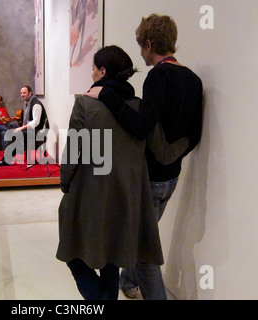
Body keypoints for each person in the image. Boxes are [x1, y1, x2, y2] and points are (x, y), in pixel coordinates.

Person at [85, 15, 203, 300]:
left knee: (143, 254)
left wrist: (105, 95)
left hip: (150, 179)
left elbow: (140, 126)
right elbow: (194, 136)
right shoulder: (193, 79)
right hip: (172, 178)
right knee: (144, 236)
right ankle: (127, 282)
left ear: (150, 44)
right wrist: (170, 157)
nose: (140, 53)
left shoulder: (158, 77)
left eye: (141, 47)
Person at [56, 45, 166, 300]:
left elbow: (72, 153)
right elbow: (156, 149)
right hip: (126, 195)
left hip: (90, 192)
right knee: (112, 257)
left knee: (74, 255)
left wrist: (65, 184)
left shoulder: (84, 104)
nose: (91, 74)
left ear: (103, 71)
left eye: (93, 69)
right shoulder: (138, 107)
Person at [0, 86, 48, 166]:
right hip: (32, 130)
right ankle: (7, 158)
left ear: (30, 93)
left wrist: (22, 128)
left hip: (38, 131)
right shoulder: (27, 103)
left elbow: (36, 122)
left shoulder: (36, 104)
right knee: (13, 130)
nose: (22, 95)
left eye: (24, 93)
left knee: (16, 134)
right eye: (21, 93)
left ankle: (7, 159)